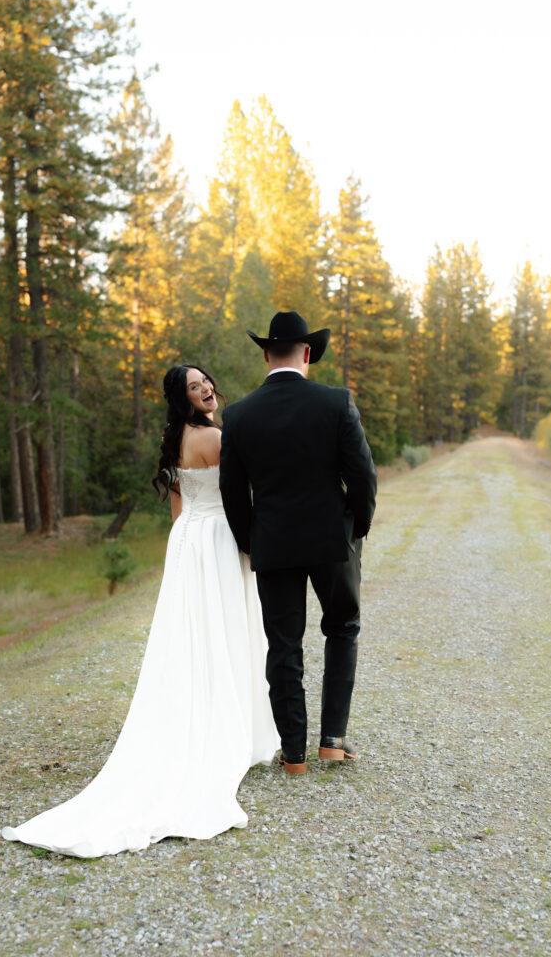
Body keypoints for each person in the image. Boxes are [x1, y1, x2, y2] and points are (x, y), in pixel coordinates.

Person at [2, 364, 278, 857]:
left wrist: (181, 556)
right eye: (195, 387)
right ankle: (235, 731)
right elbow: (243, 493)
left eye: (206, 381)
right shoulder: (214, 437)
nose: (206, 389)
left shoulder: (176, 441)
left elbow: (178, 509)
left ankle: (224, 719)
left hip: (188, 542)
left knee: (199, 635)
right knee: (229, 630)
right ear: (184, 398)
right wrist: (249, 543)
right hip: (216, 539)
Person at [219, 311, 377, 775]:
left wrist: (251, 541)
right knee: (342, 627)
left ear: (266, 355)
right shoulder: (336, 403)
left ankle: (293, 754)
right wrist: (359, 526)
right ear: (307, 354)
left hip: (274, 543)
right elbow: (362, 475)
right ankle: (332, 739)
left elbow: (232, 492)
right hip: (333, 539)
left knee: (283, 643)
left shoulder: (240, 414)